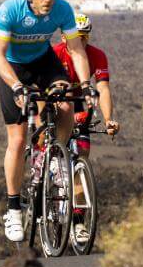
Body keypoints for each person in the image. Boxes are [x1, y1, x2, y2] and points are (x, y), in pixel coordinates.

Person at [0, 0, 92, 243]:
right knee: (17, 137)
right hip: (13, 68)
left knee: (65, 102)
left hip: (43, 62)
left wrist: (86, 86)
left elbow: (75, 49)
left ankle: (57, 160)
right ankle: (13, 208)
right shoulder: (10, 10)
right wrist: (15, 86)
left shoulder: (62, 9)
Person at [51, 13, 122, 246]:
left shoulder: (97, 55)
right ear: (64, 37)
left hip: (80, 101)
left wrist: (109, 118)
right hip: (57, 100)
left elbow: (103, 88)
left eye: (85, 37)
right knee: (52, 137)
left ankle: (78, 223)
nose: (81, 42)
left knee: (80, 158)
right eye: (76, 37)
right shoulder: (55, 52)